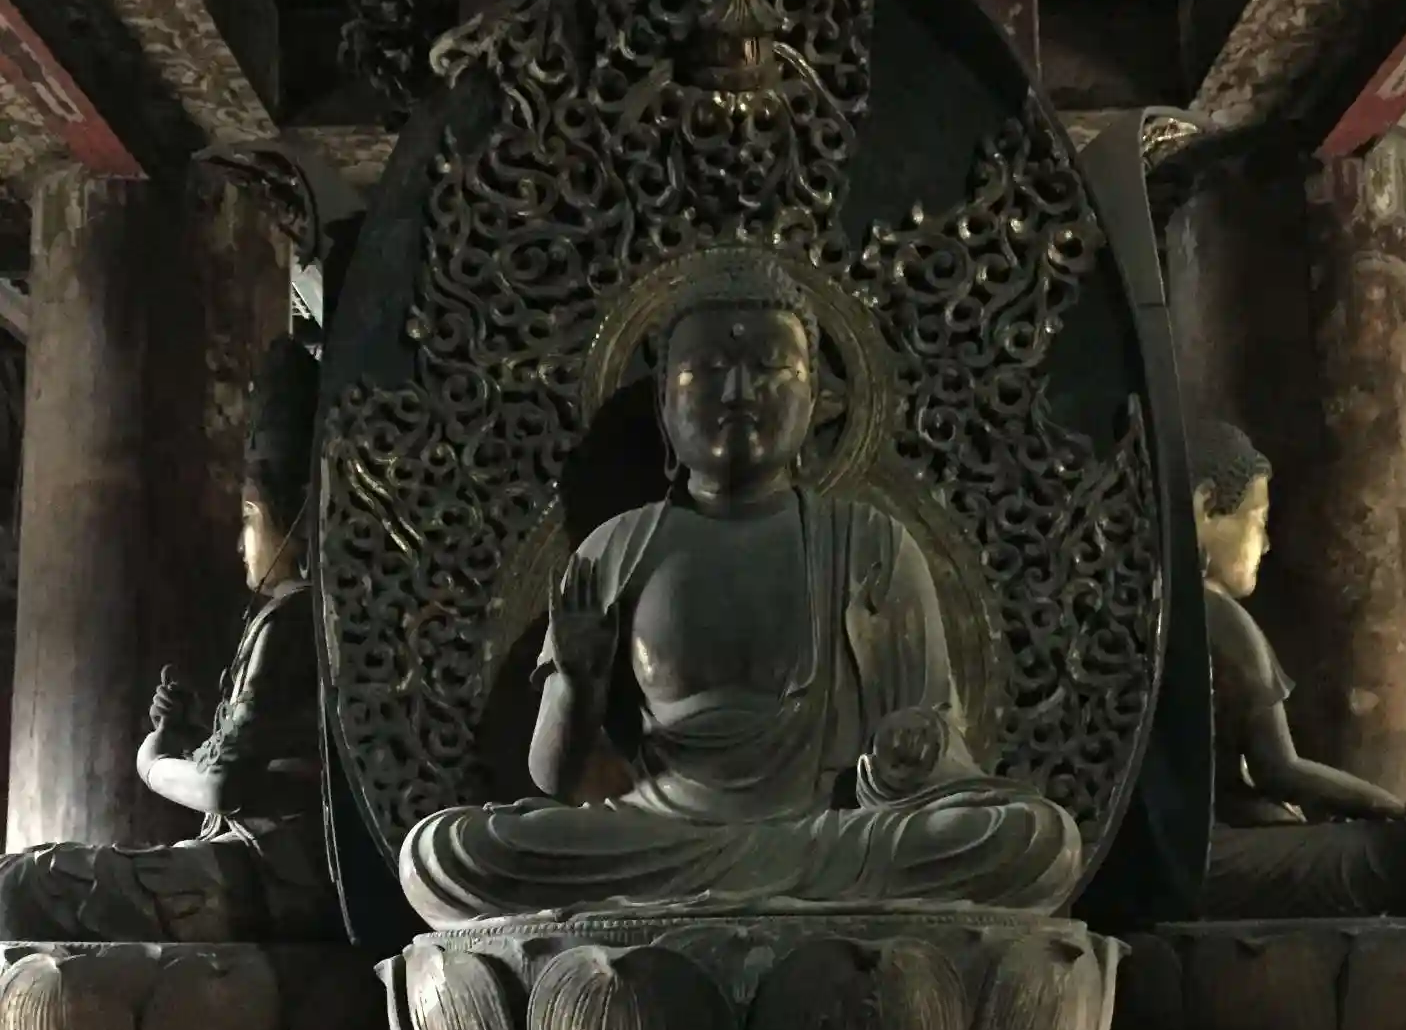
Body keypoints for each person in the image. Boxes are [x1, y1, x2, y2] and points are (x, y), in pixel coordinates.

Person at [401, 246, 1079, 926]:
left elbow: (932, 738)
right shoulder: (616, 548)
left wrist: (913, 750)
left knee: (1035, 840)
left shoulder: (870, 545)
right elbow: (553, 777)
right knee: (444, 853)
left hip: (828, 836)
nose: (737, 391)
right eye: (707, 370)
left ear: (813, 397)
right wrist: (576, 685)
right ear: (665, 403)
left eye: (769, 368)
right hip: (659, 836)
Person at [0, 337, 341, 943]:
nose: (240, 544)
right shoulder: (292, 618)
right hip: (263, 866)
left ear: (290, 519)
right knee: (27, 872)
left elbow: (223, 785)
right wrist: (189, 734)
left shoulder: (290, 619)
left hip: (268, 873)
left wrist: (153, 762)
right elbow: (252, 758)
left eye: (248, 520)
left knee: (25, 882)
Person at [1193, 419, 1406, 918]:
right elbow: (1280, 770)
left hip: (1180, 857)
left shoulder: (1141, 608)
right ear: (1205, 504)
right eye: (1258, 520)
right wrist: (1392, 809)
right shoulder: (1216, 617)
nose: (1265, 544)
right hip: (1210, 862)